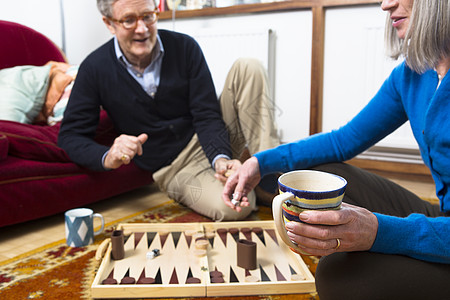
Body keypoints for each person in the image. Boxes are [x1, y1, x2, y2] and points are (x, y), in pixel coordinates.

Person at [223, 0, 450, 298]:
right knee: (317, 175)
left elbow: (379, 232)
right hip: (442, 218)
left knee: (338, 278)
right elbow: (343, 140)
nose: (385, 5)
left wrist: (377, 232)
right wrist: (259, 162)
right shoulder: (413, 73)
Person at [58, 0, 279, 221]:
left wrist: (220, 159)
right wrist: (108, 156)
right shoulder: (94, 69)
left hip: (211, 139)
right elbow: (70, 136)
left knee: (249, 66)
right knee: (234, 208)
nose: (142, 29)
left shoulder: (185, 47)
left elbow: (206, 113)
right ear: (109, 23)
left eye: (148, 16)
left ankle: (269, 173)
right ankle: (250, 178)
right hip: (175, 169)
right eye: (129, 20)